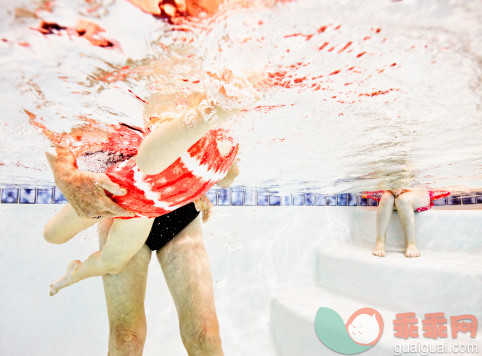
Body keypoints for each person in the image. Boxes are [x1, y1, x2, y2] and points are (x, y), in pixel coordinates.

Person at [371, 189, 450, 258]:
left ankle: (411, 244)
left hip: (416, 192)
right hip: (392, 192)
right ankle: (380, 242)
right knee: (386, 197)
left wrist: (403, 186)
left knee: (403, 199)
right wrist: (392, 187)